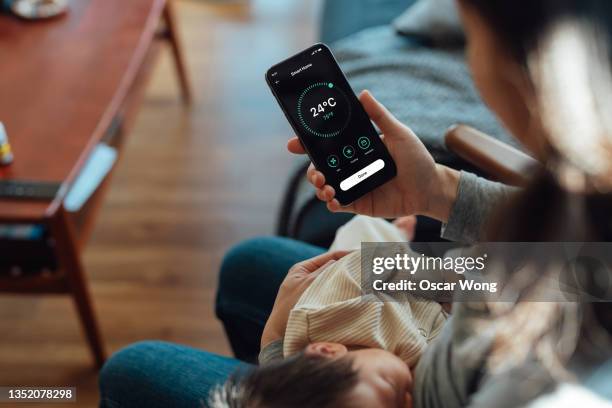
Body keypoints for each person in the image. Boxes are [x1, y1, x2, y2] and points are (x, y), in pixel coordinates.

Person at [99, 0, 612, 406]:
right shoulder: (584, 209)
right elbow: (550, 266)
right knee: (248, 261)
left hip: (439, 350)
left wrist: (278, 359)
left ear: (530, 68)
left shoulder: (548, 391)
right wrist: (433, 192)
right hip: (455, 315)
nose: (472, 65)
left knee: (130, 372)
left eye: (472, 36)